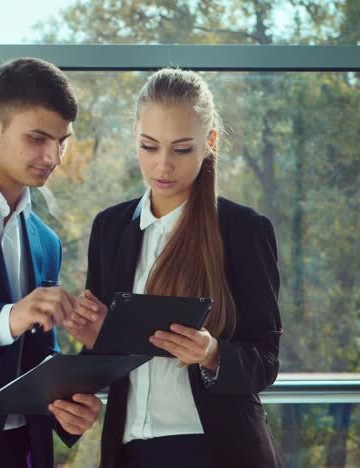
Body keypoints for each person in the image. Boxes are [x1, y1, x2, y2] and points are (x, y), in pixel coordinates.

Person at [66, 68, 283, 468]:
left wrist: (212, 352)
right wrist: (95, 344)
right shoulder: (110, 229)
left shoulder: (244, 230)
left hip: (218, 451)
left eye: (182, 149)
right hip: (130, 451)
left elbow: (266, 361)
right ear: (134, 134)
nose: (163, 165)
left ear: (209, 142)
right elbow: (105, 353)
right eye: (150, 146)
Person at [0, 58, 102, 468]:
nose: (54, 156)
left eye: (62, 141)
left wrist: (71, 414)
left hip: (25, 451)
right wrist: (7, 318)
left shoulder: (46, 241)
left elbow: (40, 354)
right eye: (38, 138)